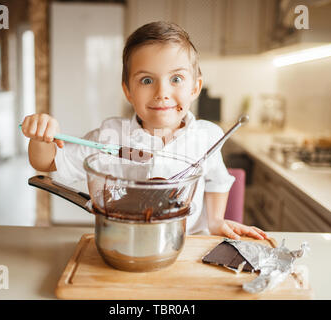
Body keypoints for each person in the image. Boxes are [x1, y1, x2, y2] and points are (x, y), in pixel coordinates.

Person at [21, 21, 268, 240]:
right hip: (121, 241)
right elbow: (47, 163)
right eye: (147, 80)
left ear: (195, 87)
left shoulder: (207, 137)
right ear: (128, 90)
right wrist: (41, 136)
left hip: (187, 245)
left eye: (176, 79)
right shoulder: (110, 135)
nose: (162, 92)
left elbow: (217, 180)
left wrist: (215, 221)